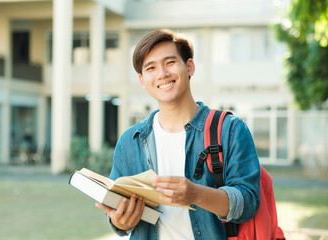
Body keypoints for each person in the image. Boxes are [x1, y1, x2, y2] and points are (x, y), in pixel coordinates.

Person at [96, 29, 260, 240]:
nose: (162, 74)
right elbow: (119, 206)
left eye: (170, 62)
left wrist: (196, 194)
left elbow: (248, 203)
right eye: (151, 67)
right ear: (142, 80)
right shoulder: (130, 140)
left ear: (189, 67)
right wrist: (119, 221)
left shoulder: (230, 129)